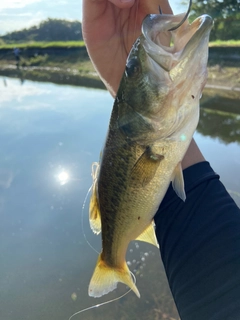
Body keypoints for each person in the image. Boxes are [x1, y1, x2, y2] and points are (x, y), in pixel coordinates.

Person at [82, 1, 240, 319]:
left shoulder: (152, 137)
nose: (135, 69)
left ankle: (112, 261)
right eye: (134, 70)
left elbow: (159, 145)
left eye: (132, 69)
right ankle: (113, 263)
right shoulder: (152, 140)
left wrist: (126, 77)